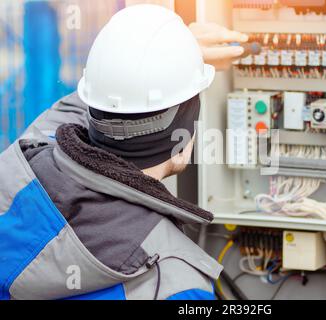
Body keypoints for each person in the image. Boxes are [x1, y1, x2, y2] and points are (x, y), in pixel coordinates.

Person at [0, 5, 247, 300]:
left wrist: (172, 55)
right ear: (183, 138)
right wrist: (176, 58)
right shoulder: (176, 284)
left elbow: (84, 107)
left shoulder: (21, 163)